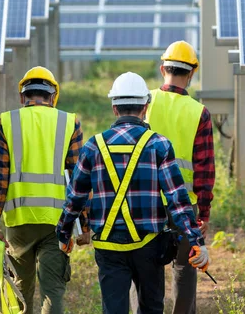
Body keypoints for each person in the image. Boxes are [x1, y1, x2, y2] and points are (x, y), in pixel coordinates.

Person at [56, 72, 209, 314]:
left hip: (109, 248)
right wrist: (195, 240)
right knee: (150, 308)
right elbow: (177, 200)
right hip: (149, 246)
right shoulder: (158, 145)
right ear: (145, 107)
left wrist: (64, 232)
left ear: (114, 108)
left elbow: (75, 198)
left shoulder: (93, 147)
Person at [0, 66, 85, 314]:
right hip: (57, 222)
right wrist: (84, 223)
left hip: (19, 222)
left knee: (20, 289)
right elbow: (78, 178)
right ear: (53, 97)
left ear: (23, 97)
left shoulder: (6, 122)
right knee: (53, 291)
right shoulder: (69, 122)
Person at [146, 41, 216, 314]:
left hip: (145, 201)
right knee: (185, 267)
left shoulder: (145, 102)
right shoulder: (199, 113)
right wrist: (204, 214)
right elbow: (205, 168)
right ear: (192, 74)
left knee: (145, 266)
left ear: (163, 68)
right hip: (184, 205)